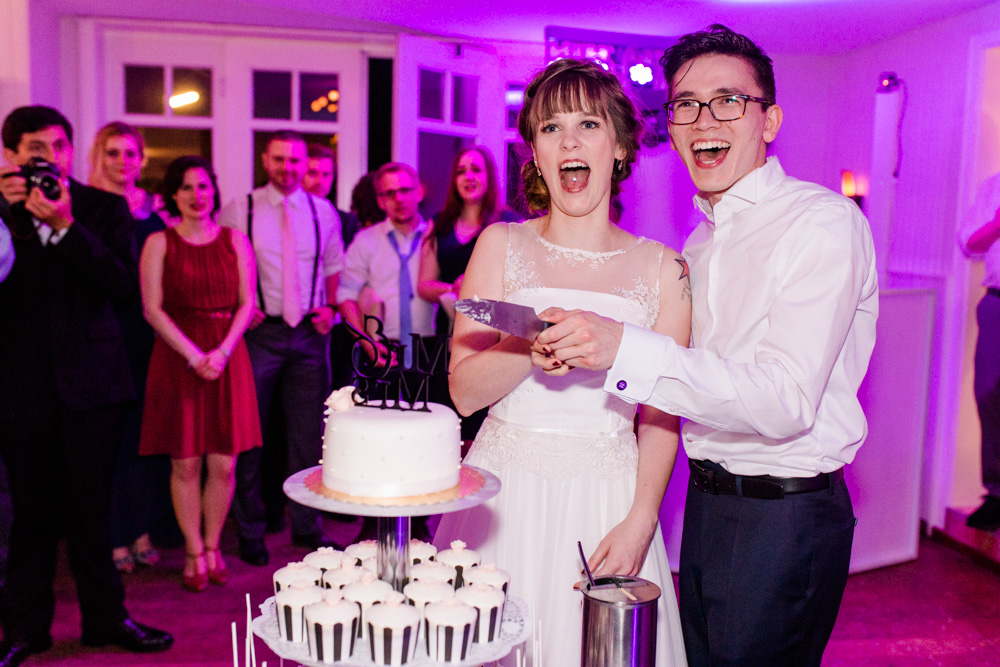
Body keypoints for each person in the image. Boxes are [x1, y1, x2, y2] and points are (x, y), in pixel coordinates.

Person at [534, 26, 879, 666]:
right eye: (685, 105)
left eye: (728, 102)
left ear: (769, 119)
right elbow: (697, 387)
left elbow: (784, 402)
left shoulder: (822, 222)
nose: (702, 120)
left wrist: (626, 350)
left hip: (786, 515)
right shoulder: (698, 244)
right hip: (706, 506)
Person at [434, 59, 690, 666]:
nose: (569, 140)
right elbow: (465, 393)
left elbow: (662, 415)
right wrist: (528, 345)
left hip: (608, 497)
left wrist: (641, 523)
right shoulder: (501, 244)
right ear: (535, 152)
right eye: (550, 128)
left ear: (622, 146)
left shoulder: (667, 269)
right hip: (503, 495)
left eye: (588, 124)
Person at [0, 105, 173, 666]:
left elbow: (122, 286)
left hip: (94, 385)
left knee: (91, 512)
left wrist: (68, 225)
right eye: (34, 146)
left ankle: (106, 619)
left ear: (72, 151)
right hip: (21, 385)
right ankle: (25, 629)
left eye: (57, 144)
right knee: (30, 516)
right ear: (14, 154)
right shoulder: (2, 208)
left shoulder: (103, 207)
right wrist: (16, 213)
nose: (47, 154)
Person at [219, 130, 344, 565]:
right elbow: (223, 260)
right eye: (279, 160)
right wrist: (239, 303)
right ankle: (250, 528)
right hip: (261, 334)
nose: (288, 168)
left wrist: (330, 308)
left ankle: (308, 527)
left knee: (307, 435)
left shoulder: (321, 210)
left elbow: (333, 266)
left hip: (309, 335)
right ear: (265, 161)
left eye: (295, 161)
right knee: (250, 436)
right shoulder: (242, 208)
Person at [138, 156, 261, 591]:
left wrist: (223, 351)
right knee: (186, 463)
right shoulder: (159, 242)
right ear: (173, 194)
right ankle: (193, 548)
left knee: (224, 463)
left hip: (228, 354)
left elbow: (248, 301)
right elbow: (151, 309)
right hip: (179, 357)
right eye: (187, 187)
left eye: (204, 186)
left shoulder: (235, 240)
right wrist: (195, 356)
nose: (196, 195)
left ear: (214, 190)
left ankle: (213, 546)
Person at [88, 121, 170, 574]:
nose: (123, 162)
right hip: (103, 333)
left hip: (147, 336)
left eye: (131, 154)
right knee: (108, 440)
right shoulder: (85, 206)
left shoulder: (154, 213)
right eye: (114, 153)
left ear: (142, 159)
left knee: (144, 437)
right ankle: (114, 534)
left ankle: (141, 528)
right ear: (99, 156)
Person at [959, 171, 1000, 532]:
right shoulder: (993, 185)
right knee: (988, 395)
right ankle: (997, 493)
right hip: (997, 305)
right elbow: (968, 243)